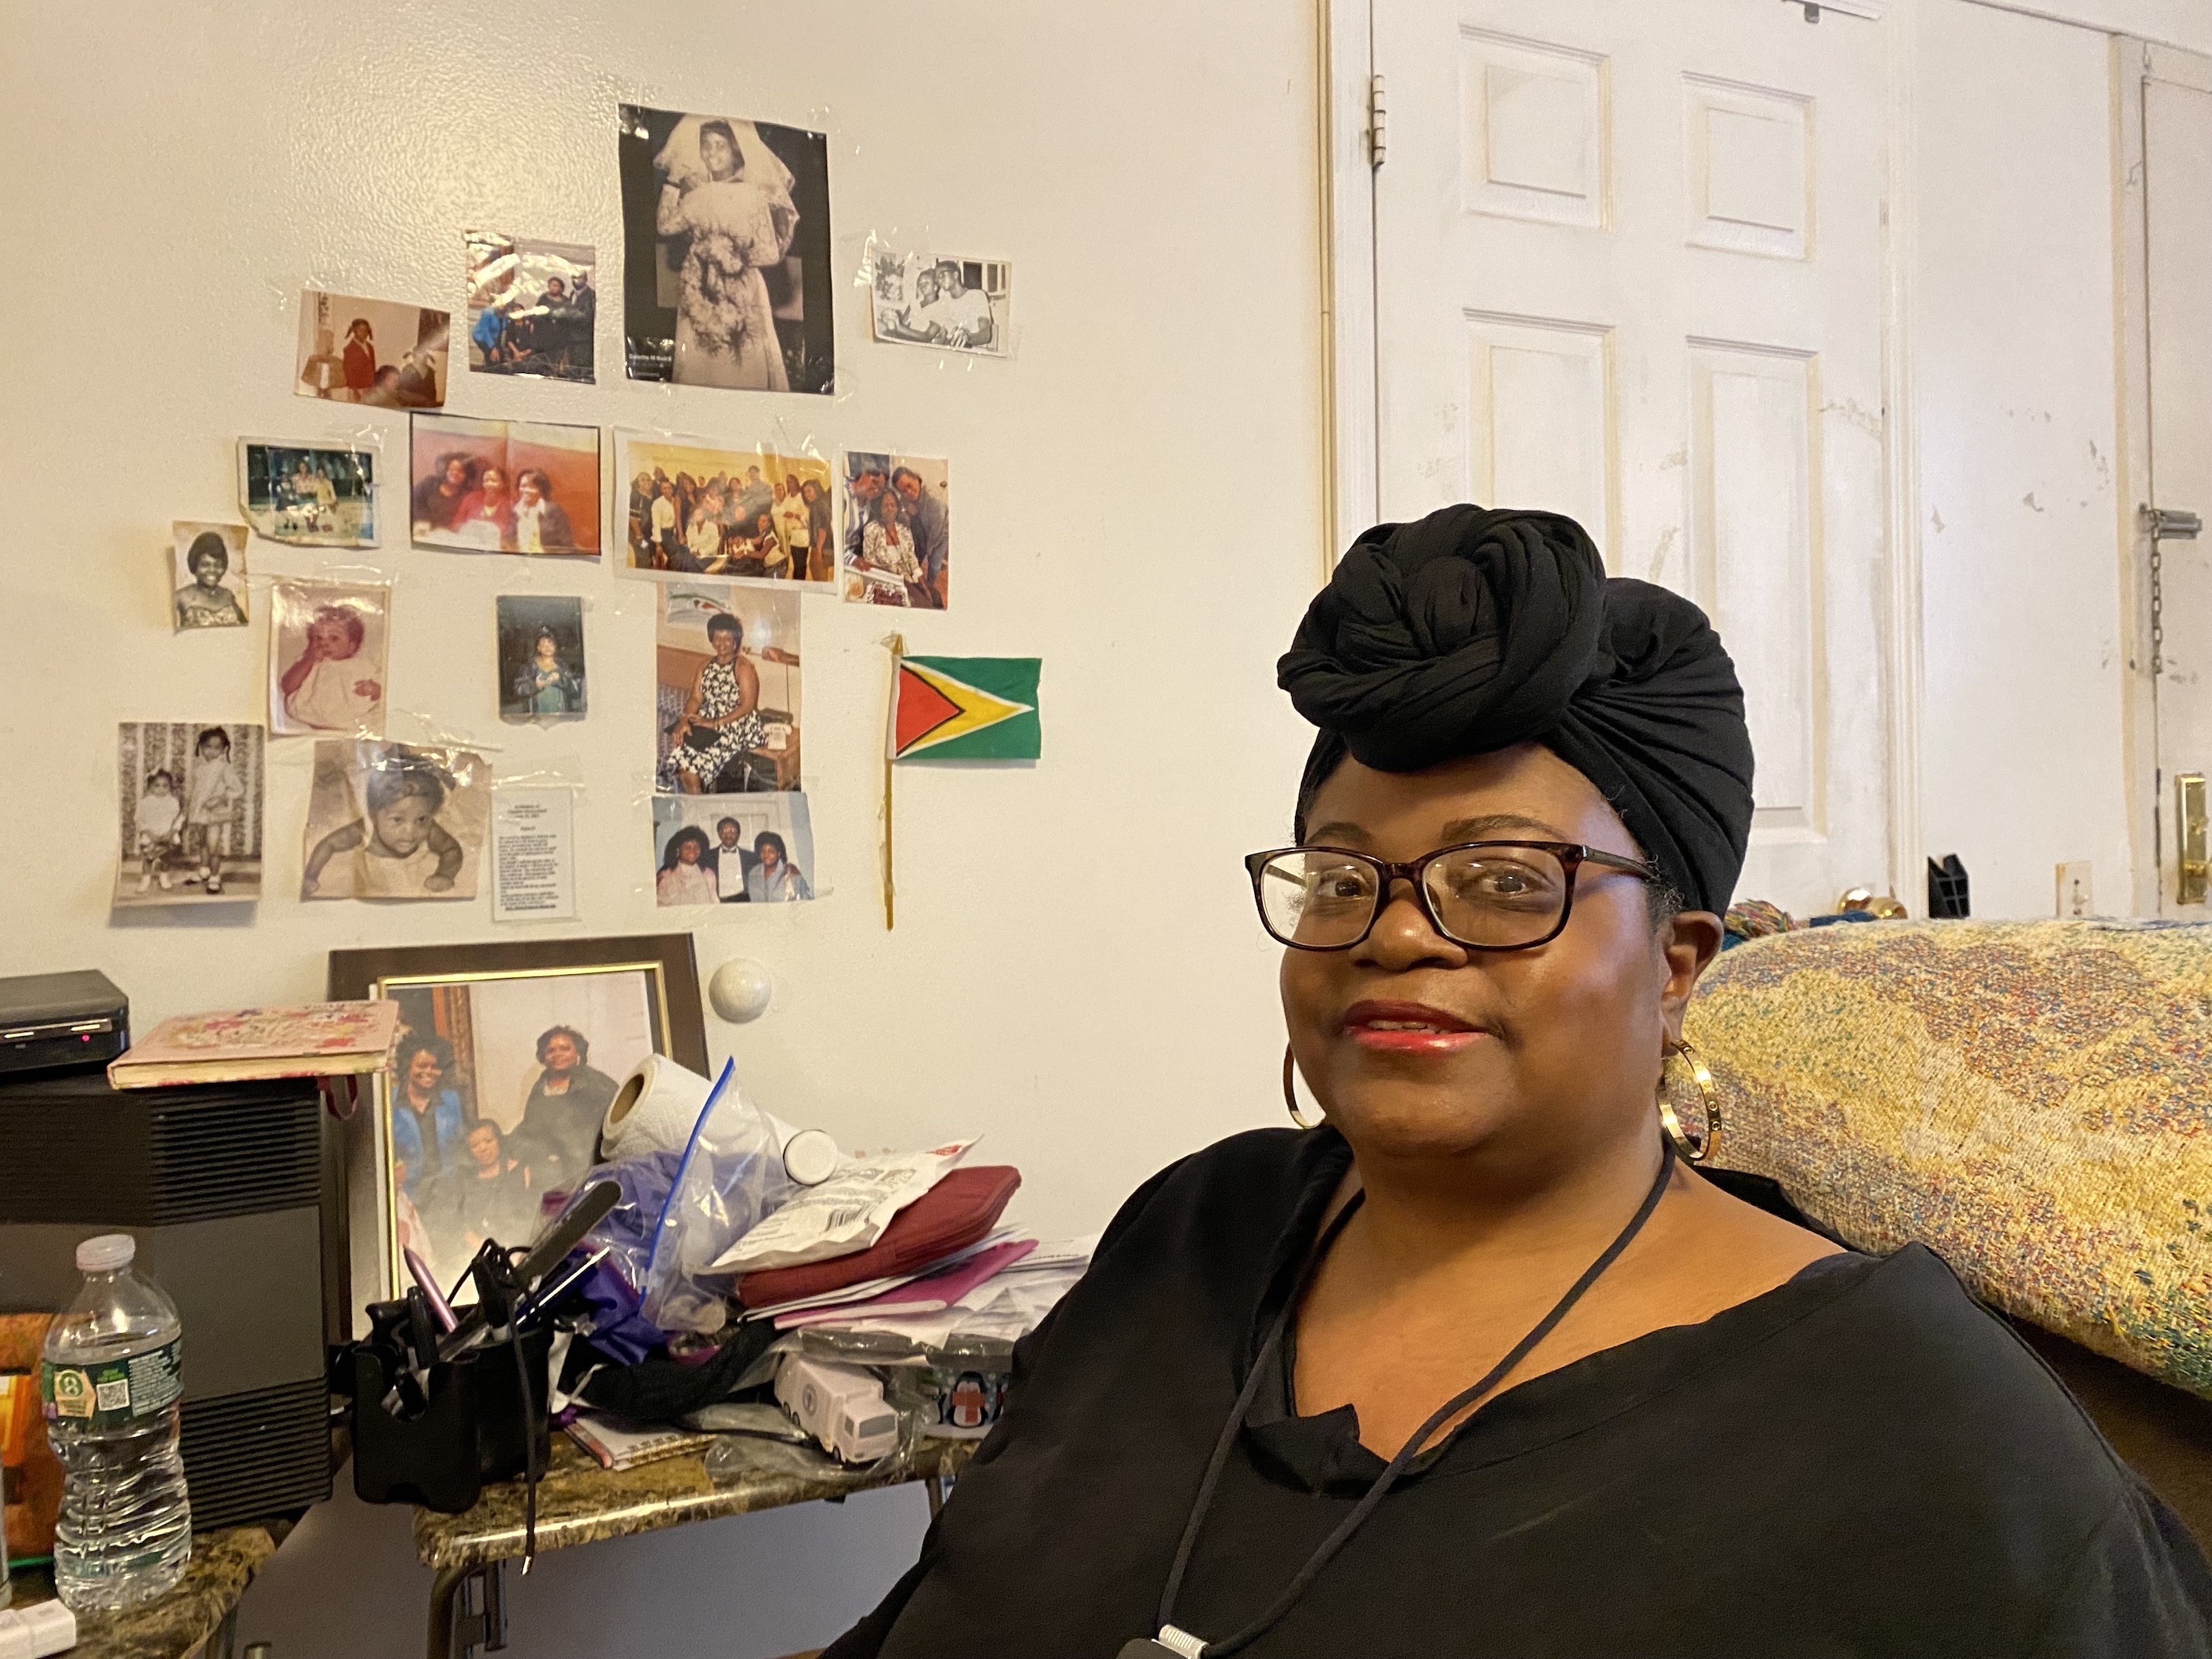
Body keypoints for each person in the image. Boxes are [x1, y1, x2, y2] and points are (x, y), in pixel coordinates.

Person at [825, 504, 2212, 1658]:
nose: (1398, 930)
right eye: (1343, 875)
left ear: (1675, 966)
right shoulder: (1192, 1235)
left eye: (1503, 880)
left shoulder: (1909, 1425)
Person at [656, 117, 795, 391]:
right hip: (699, 290)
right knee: (701, 369)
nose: (711, 153)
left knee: (742, 365)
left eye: (720, 146)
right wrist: (673, 182)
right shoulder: (696, 195)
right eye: (705, 146)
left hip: (743, 294)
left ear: (735, 151)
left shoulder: (752, 196)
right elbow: (665, 226)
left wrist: (729, 258)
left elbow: (769, 253)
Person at [302, 753, 464, 898]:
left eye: (421, 819)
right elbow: (329, 844)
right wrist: (310, 875)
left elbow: (451, 850)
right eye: (397, 820)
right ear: (374, 816)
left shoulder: (431, 831)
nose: (411, 831)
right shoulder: (363, 830)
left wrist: (445, 874)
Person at [662, 611, 763, 792]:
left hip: (737, 723)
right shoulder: (705, 666)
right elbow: (695, 698)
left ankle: (698, 802)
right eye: (717, 638)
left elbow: (747, 706)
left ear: (736, 641)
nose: (721, 643)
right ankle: (696, 802)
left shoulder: (743, 667)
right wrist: (685, 719)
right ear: (711, 639)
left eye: (727, 638)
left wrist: (715, 723)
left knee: (697, 762)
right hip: (709, 722)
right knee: (684, 761)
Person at [510, 1025, 619, 1188]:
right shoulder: (540, 1089)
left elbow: (616, 1125)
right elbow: (530, 1130)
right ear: (543, 1056)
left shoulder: (598, 1084)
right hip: (549, 1174)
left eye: (565, 1049)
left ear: (577, 1053)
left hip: (590, 1169)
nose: (557, 1055)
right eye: (551, 1051)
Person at [436, 1120, 538, 1259]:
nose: (483, 1148)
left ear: (499, 1141)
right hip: (483, 1255)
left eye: (489, 1141)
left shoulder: (521, 1171)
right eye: (475, 1145)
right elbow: (461, 1226)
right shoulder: (465, 1183)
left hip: (521, 1251)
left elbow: (532, 1216)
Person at [388, 1035, 467, 1204]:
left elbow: (463, 1145)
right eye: (422, 1065)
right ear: (407, 1066)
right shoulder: (389, 1102)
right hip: (406, 1195)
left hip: (447, 1194)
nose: (429, 1072)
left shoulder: (451, 1100)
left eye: (435, 1067)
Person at [278, 603, 381, 733]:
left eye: (334, 638)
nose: (324, 643)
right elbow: (287, 686)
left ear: (352, 646)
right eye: (318, 638)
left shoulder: (361, 666)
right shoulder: (310, 662)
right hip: (308, 718)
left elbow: (385, 691)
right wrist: (309, 659)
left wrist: (376, 689)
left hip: (348, 723)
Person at [182, 726, 242, 895]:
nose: (211, 751)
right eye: (208, 747)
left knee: (213, 846)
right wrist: (188, 808)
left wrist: (219, 798)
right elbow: (193, 790)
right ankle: (204, 871)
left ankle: (215, 876)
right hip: (200, 811)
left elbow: (237, 789)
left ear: (224, 750)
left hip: (215, 813)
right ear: (201, 747)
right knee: (202, 842)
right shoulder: (199, 767)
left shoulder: (223, 767)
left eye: (217, 748)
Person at [854, 490, 927, 607]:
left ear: (897, 508)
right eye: (885, 505)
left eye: (893, 505)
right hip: (884, 581)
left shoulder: (904, 530)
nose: (890, 509)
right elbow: (870, 562)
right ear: (879, 509)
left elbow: (912, 560)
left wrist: (924, 586)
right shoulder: (871, 529)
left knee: (927, 600)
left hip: (908, 580)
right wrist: (895, 578)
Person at [892, 466, 948, 607]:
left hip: (941, 533)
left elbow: (938, 530)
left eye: (909, 486)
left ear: (916, 478)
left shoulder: (933, 498)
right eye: (903, 490)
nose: (908, 492)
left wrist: (929, 548)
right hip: (927, 527)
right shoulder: (908, 496)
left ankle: (930, 585)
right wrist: (908, 507)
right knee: (921, 555)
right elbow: (904, 502)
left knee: (934, 562)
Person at [173, 531, 246, 628]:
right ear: (194, 565)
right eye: (205, 565)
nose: (212, 570)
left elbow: (247, 628)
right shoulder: (180, 597)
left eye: (218, 565)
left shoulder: (228, 595)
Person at [511, 628, 583, 718]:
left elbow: (576, 690)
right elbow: (517, 690)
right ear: (538, 648)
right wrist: (534, 685)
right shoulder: (529, 667)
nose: (547, 648)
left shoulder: (563, 666)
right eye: (543, 645)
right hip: (537, 717)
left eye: (550, 644)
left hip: (560, 715)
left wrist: (562, 679)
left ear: (555, 646)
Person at [132, 769, 183, 894]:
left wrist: (171, 833)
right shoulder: (145, 803)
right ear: (150, 787)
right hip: (151, 835)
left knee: (165, 859)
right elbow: (139, 819)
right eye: (157, 786)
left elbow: (179, 819)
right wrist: (149, 833)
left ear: (170, 787)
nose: (161, 789)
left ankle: (163, 877)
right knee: (148, 859)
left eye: (165, 786)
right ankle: (146, 879)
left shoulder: (173, 802)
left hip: (167, 835)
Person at [929, 263, 995, 350]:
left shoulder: (977, 296)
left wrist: (967, 337)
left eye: (942, 275)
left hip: (974, 352)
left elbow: (986, 335)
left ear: (955, 275)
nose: (939, 281)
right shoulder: (944, 300)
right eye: (937, 278)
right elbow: (942, 335)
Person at [451, 464, 515, 551]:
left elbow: (512, 536)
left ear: (502, 483)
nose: (489, 484)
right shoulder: (471, 498)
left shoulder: (510, 505)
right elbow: (456, 523)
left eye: (493, 481)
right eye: (486, 481)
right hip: (467, 547)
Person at [510, 469, 575, 553]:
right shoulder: (514, 511)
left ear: (541, 489)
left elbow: (566, 547)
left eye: (532, 487)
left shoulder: (554, 511)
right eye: (523, 486)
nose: (526, 490)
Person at [655, 825, 719, 906]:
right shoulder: (665, 876)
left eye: (696, 847)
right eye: (687, 847)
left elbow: (715, 904)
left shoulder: (709, 875)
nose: (693, 851)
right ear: (678, 850)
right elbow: (660, 906)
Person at [413, 454, 476, 534]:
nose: (455, 473)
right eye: (452, 469)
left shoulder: (467, 496)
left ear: (467, 475)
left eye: (461, 471)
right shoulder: (430, 483)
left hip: (446, 535)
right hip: (420, 529)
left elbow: (462, 523)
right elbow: (414, 503)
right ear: (446, 470)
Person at [744, 831, 810, 903]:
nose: (766, 855)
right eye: (763, 851)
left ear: (779, 853)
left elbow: (806, 902)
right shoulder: (753, 874)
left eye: (771, 851)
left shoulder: (792, 875)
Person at [701, 816, 751, 903]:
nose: (728, 835)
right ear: (719, 833)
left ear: (738, 834)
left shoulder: (750, 857)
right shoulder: (707, 857)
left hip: (744, 905)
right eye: (724, 831)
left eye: (733, 831)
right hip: (717, 905)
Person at [802, 477, 835, 582]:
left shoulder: (818, 505)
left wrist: (819, 550)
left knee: (820, 578)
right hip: (822, 546)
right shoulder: (820, 503)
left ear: (816, 489)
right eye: (805, 493)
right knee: (818, 573)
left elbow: (822, 528)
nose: (807, 495)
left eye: (809, 491)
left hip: (820, 547)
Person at [342, 318, 376, 398]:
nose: (363, 333)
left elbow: (373, 367)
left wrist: (374, 385)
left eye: (366, 330)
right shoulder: (349, 349)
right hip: (356, 390)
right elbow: (348, 372)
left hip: (369, 388)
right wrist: (355, 391)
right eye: (360, 330)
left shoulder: (370, 347)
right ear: (354, 331)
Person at [651, 480, 682, 570]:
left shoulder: (675, 501)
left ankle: (670, 571)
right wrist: (658, 545)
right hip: (663, 534)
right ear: (661, 490)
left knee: (682, 553)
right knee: (676, 555)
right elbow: (656, 524)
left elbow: (677, 519)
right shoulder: (657, 503)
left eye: (669, 488)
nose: (668, 490)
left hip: (673, 533)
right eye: (665, 488)